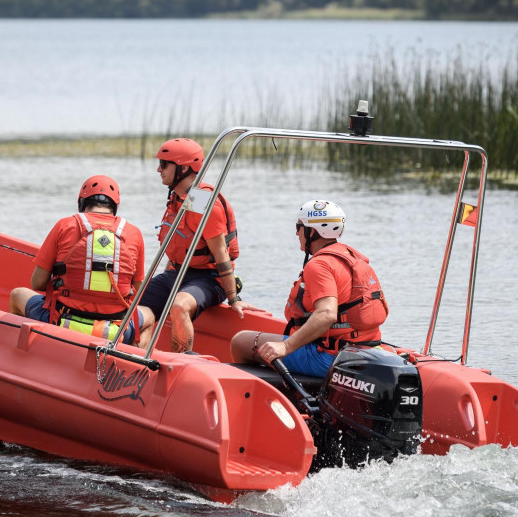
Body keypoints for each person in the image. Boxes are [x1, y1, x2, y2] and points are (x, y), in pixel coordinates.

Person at [230, 200, 388, 377]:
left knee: (241, 341)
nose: (296, 232)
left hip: (331, 357)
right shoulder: (351, 257)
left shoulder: (319, 264)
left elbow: (326, 314)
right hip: (366, 349)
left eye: (299, 227)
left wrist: (285, 346)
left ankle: (258, 397)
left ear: (311, 231)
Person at [139, 137, 257, 353]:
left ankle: (181, 361)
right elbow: (180, 246)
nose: (159, 169)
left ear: (183, 168)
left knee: (178, 306)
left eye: (164, 164)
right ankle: (136, 357)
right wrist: (165, 279)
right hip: (179, 274)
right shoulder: (181, 198)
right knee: (138, 305)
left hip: (209, 279)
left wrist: (233, 299)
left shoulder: (201, 201)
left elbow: (221, 254)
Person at [9, 175, 153, 347]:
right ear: (115, 205)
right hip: (114, 331)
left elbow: (37, 283)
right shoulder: (133, 233)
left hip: (62, 323)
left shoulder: (65, 225)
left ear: (82, 202)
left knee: (17, 294)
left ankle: (24, 356)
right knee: (149, 315)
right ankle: (132, 366)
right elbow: (137, 292)